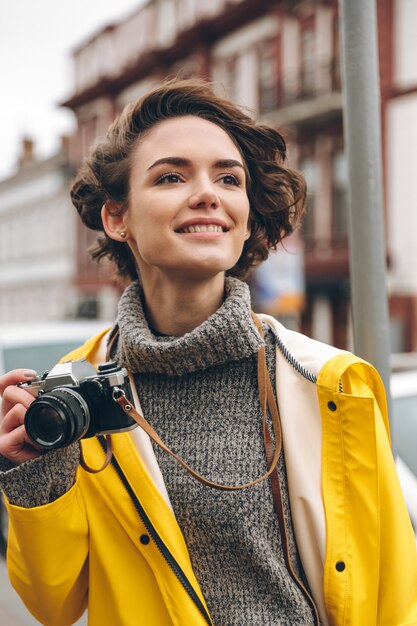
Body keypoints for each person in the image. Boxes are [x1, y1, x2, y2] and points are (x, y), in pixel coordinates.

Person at [0, 79, 416, 626]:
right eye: (172, 176)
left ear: (245, 217)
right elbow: (54, 603)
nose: (208, 194)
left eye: (228, 178)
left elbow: (393, 595)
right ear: (116, 217)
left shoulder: (333, 383)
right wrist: (31, 473)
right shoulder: (71, 394)